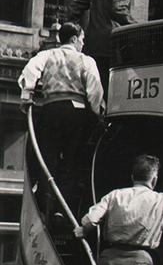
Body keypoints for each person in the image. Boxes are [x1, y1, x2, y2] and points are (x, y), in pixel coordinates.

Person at [18, 22, 105, 211]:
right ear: (74, 39)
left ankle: (46, 204)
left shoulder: (47, 55)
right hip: (77, 113)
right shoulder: (86, 61)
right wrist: (97, 113)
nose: (83, 44)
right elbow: (94, 91)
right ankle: (63, 209)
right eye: (82, 40)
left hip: (51, 111)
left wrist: (27, 95)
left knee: (48, 158)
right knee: (72, 161)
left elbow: (30, 72)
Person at [68, 0, 139, 91]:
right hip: (111, 46)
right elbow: (118, 10)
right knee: (111, 91)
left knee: (93, 88)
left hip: (92, 46)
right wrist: (136, 27)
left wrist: (78, 31)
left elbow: (73, 7)